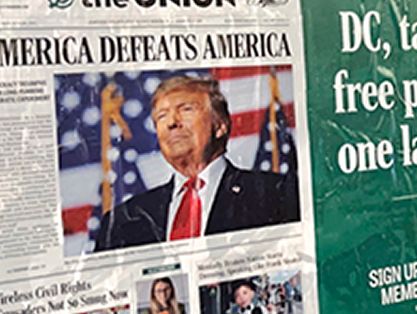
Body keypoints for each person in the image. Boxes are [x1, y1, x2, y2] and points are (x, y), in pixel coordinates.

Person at [94, 75, 299, 252]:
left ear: (219, 127)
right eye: (161, 116)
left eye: (186, 109)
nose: (172, 122)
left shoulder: (277, 194)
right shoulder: (122, 221)